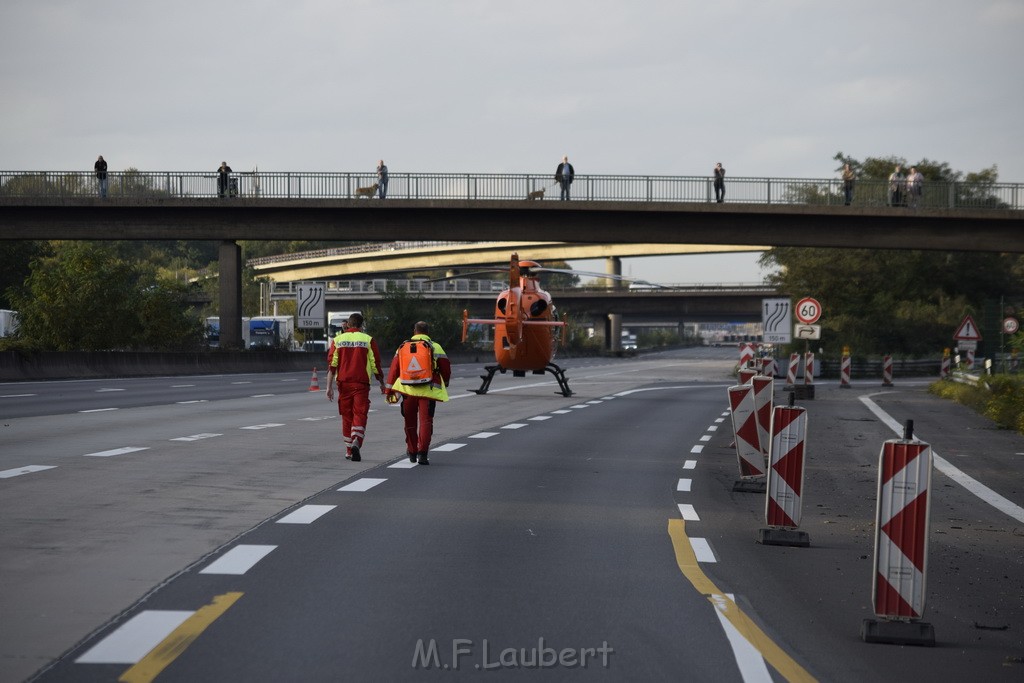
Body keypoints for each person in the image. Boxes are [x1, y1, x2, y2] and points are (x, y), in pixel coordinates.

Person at [384, 321, 451, 466]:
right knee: (426, 422)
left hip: (408, 390)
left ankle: (412, 451)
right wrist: (445, 382)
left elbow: (394, 370)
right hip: (427, 391)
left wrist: (388, 390)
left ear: (414, 331)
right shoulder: (435, 346)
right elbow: (445, 368)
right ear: (427, 332)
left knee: (409, 422)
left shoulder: (402, 347)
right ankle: (423, 454)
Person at [325, 313, 385, 462]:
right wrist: (381, 381)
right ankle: (356, 440)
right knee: (360, 414)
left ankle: (348, 450)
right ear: (361, 325)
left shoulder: (338, 340)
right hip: (361, 385)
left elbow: (332, 365)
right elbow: (375, 363)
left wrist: (329, 387)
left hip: (343, 385)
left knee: (347, 417)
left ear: (348, 324)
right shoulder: (368, 340)